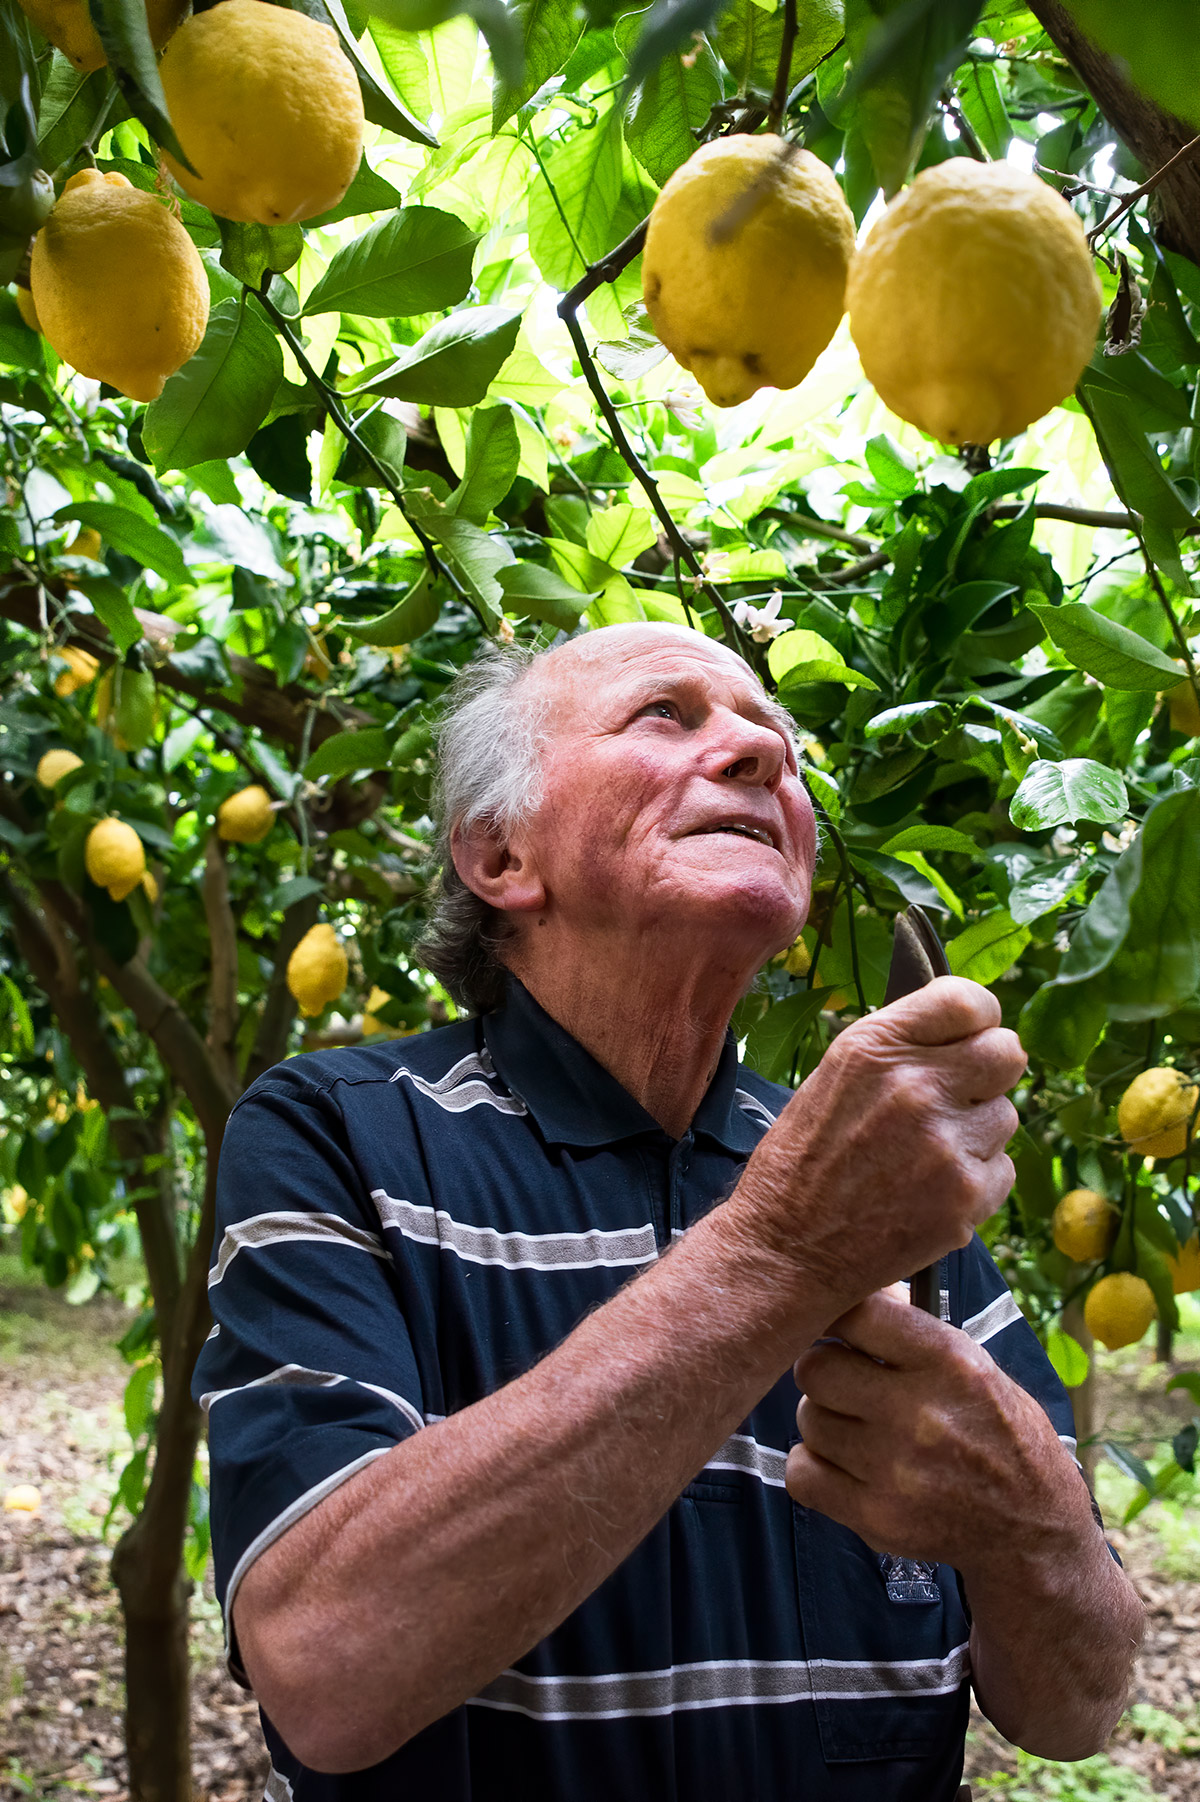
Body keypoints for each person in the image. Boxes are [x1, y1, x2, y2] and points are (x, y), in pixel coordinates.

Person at [195, 623, 1144, 1802]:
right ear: (500, 854)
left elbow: (1078, 1703)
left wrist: (1035, 1522)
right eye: (666, 714)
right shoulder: (342, 1130)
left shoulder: (875, 1168)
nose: (761, 751)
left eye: (777, 739)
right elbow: (322, 1667)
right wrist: (784, 1251)